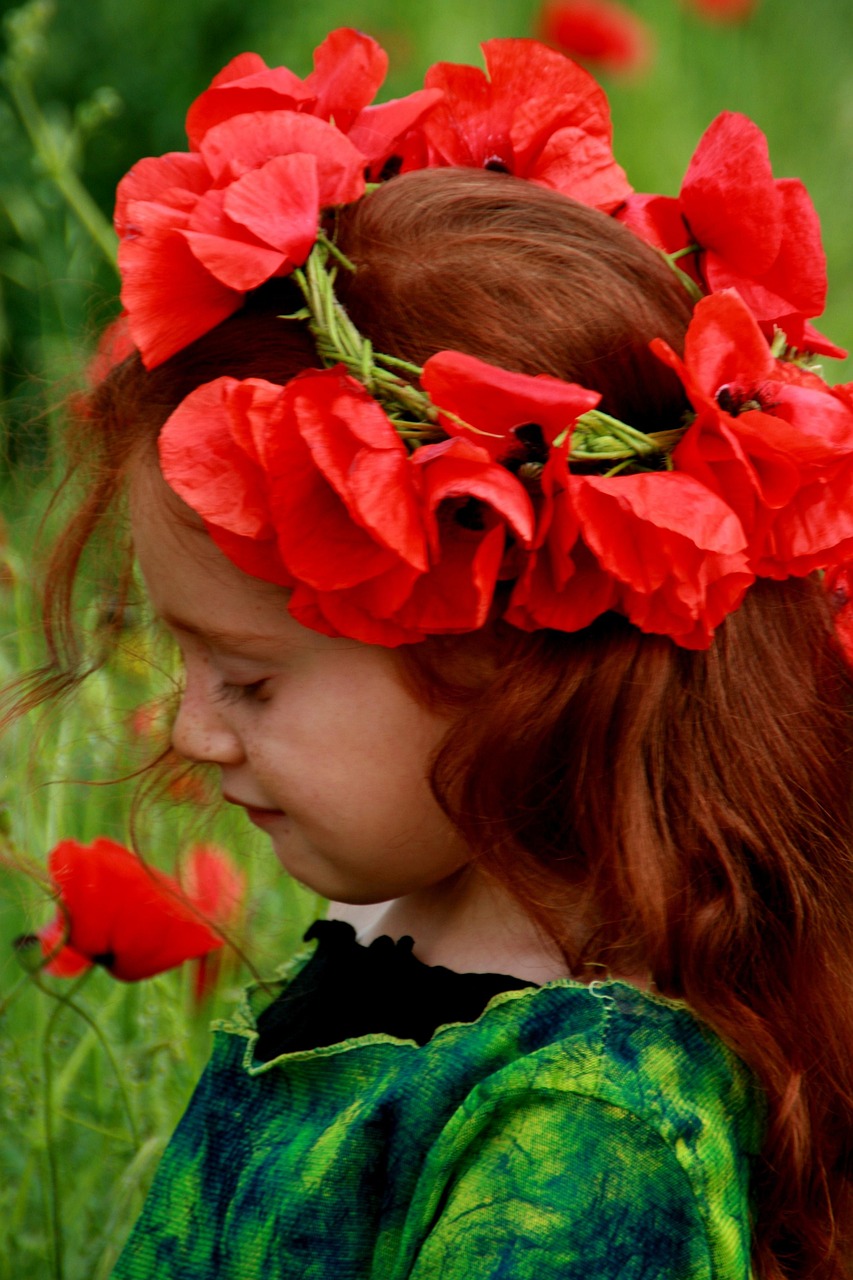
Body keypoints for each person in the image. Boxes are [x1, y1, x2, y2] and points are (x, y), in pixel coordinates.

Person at [24, 27, 853, 1280]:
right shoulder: (388, 953)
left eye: (248, 677)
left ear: (511, 656)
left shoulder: (587, 1122)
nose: (188, 729)